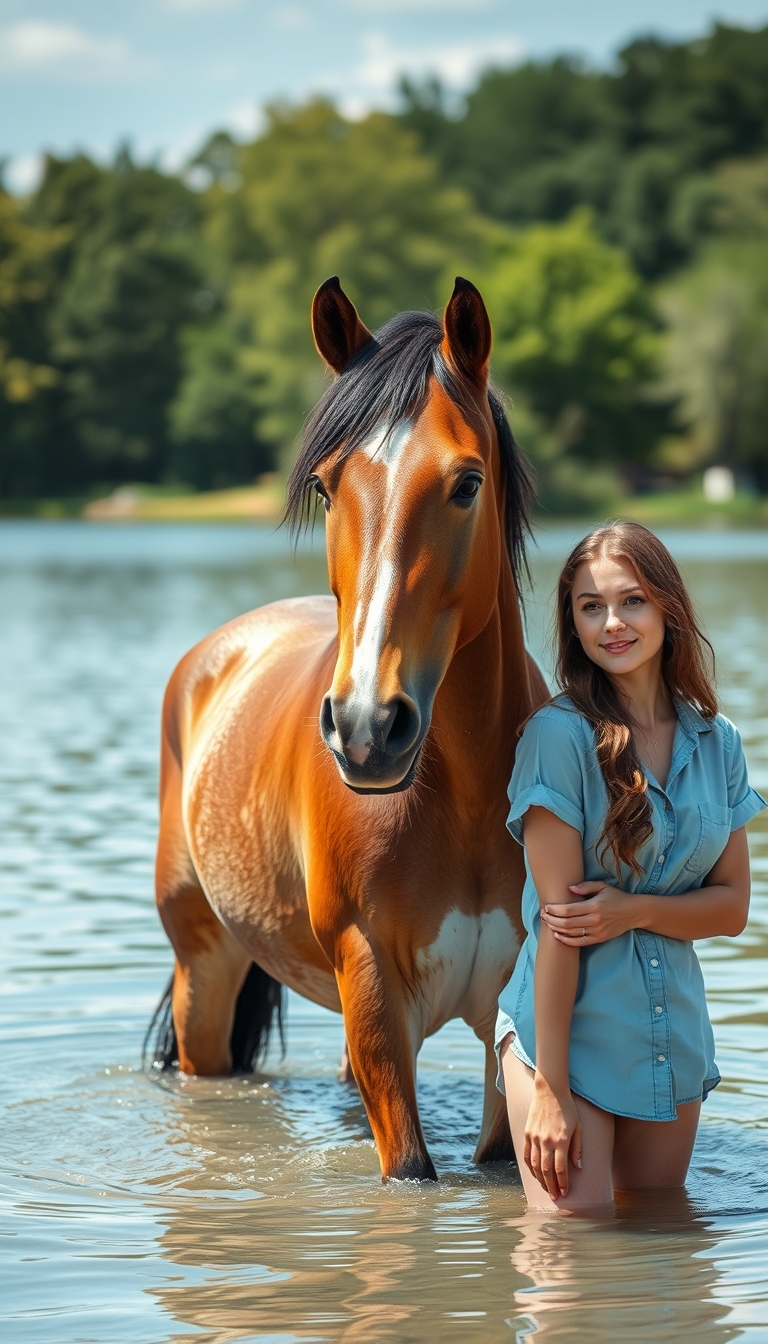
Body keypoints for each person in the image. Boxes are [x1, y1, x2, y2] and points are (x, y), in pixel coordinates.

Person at [496, 521, 766, 1213]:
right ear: (573, 624)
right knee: (569, 1255)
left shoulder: (718, 740)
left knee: (660, 1245)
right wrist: (550, 1089)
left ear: (667, 607)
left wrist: (633, 910)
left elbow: (732, 907)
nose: (612, 623)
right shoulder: (557, 739)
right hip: (564, 1042)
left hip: (668, 1040)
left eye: (631, 601)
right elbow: (560, 925)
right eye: (591, 607)